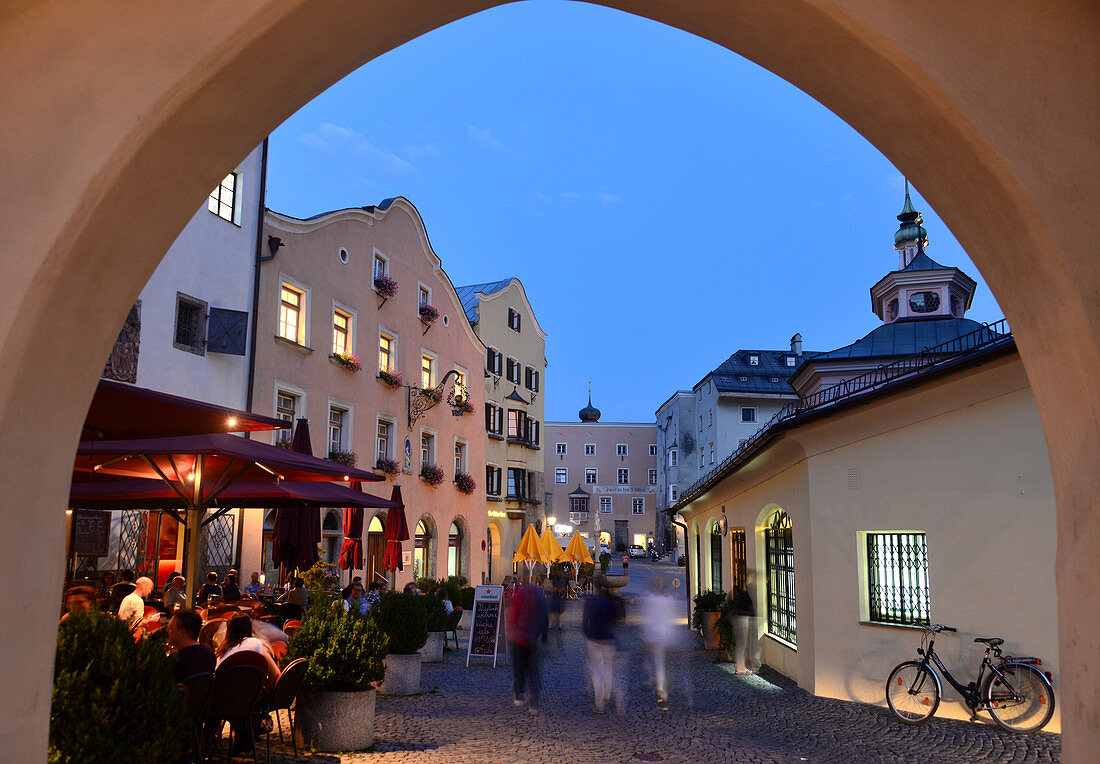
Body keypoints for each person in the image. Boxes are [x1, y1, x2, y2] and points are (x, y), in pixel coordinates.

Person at [504, 571, 548, 714]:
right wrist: (544, 636)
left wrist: (511, 631)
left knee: (519, 668)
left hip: (519, 638)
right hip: (533, 638)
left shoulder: (520, 594)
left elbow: (512, 613)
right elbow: (544, 617)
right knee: (534, 671)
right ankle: (534, 704)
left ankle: (519, 695)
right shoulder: (539, 595)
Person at [583, 576, 624, 714]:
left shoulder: (591, 601)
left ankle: (599, 704)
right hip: (608, 639)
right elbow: (617, 619)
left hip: (593, 639)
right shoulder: (611, 600)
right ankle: (607, 695)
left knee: (596, 672)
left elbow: (584, 621)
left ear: (595, 587)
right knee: (608, 668)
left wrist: (587, 633)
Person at [641, 575, 677, 709]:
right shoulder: (669, 600)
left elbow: (646, 617)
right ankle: (662, 690)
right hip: (666, 636)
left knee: (658, 664)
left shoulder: (649, 599)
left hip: (654, 636)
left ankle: (660, 690)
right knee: (663, 665)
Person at [167, 610, 216, 681]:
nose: (167, 632)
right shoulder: (209, 652)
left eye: (170, 629)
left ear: (182, 631)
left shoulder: (177, 661)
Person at [731, 578, 760, 675]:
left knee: (743, 644)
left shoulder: (744, 591)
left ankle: (743, 667)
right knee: (743, 644)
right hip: (743, 618)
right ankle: (741, 668)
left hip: (745, 617)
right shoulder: (750, 591)